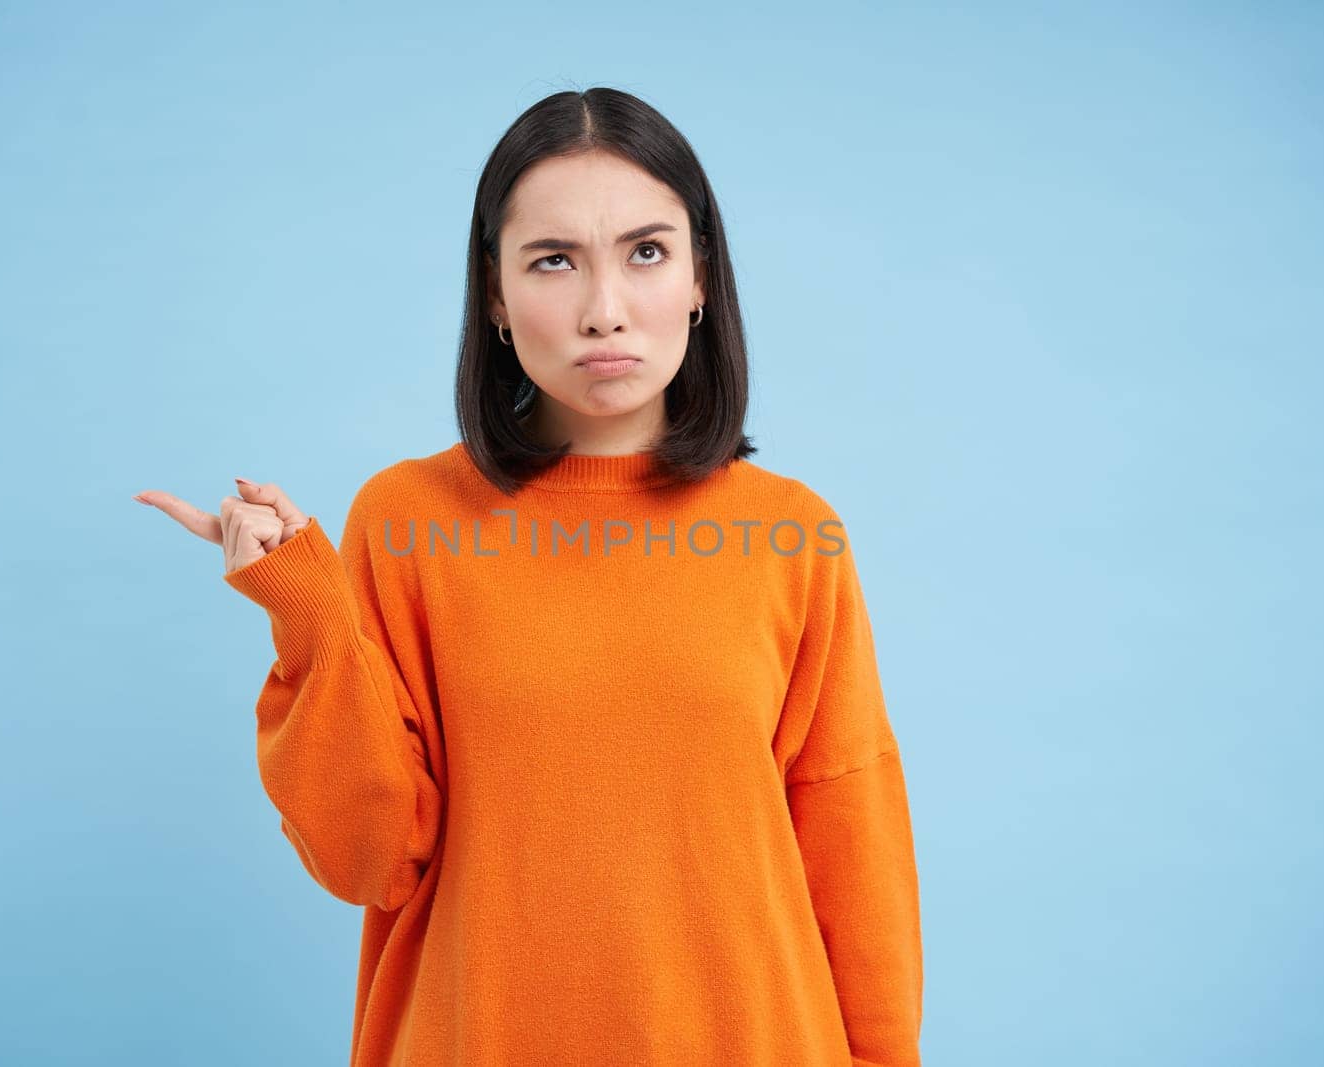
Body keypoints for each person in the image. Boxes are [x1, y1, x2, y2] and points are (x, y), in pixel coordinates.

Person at [134, 87, 923, 1067]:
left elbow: (853, 847)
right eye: (554, 261)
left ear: (699, 280)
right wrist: (306, 611)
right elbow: (369, 856)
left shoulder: (791, 532)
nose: (604, 309)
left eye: (646, 251)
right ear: (496, 295)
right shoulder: (411, 520)